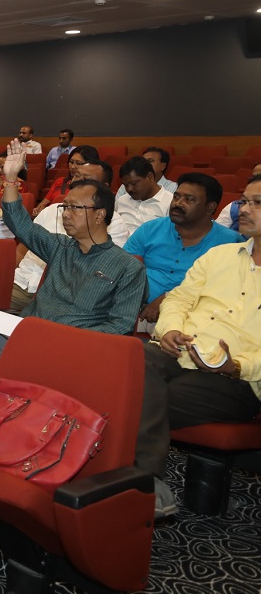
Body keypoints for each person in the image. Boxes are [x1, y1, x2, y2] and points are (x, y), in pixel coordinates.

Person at [135, 175, 261, 518]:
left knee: (137, 399)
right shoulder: (220, 256)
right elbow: (178, 299)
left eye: (257, 203)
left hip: (233, 379)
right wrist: (171, 328)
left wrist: (238, 366)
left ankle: (142, 481)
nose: (244, 209)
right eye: (245, 201)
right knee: (124, 363)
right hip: (177, 351)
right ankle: (143, 481)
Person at [0, 140, 146, 387]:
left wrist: (66, 339)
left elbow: (120, 326)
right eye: (65, 207)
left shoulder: (128, 267)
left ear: (100, 214)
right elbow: (19, 222)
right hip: (31, 332)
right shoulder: (59, 246)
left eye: (74, 208)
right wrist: (10, 178)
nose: (66, 213)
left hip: (75, 347)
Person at [124, 173, 242, 332]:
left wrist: (167, 299)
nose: (178, 203)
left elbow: (223, 290)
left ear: (210, 207)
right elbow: (124, 269)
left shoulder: (230, 243)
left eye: (189, 199)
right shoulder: (150, 229)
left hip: (193, 316)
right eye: (176, 197)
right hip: (135, 308)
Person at [10, 159, 129, 313]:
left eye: (86, 179)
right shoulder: (53, 211)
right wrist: (11, 177)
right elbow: (21, 238)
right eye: (76, 176)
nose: (77, 182)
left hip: (63, 299)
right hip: (22, 283)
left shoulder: (115, 226)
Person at [115, 155, 173, 240]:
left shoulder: (169, 202)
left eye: (134, 183)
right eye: (126, 185)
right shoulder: (122, 200)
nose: (129, 189)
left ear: (150, 177)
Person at [33, 144, 100, 215]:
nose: (73, 166)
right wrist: (38, 210)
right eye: (71, 162)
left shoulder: (94, 188)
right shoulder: (60, 181)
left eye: (78, 163)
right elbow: (43, 204)